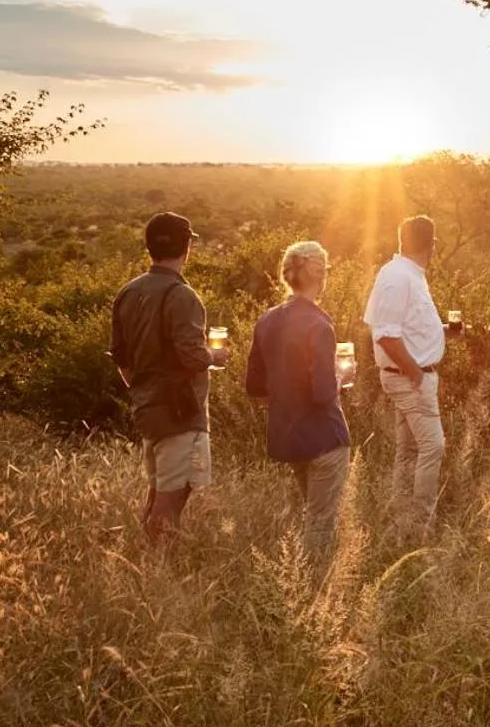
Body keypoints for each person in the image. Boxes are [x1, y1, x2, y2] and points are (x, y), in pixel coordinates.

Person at [110, 211, 229, 542]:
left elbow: (120, 358)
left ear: (149, 247)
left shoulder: (128, 292)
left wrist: (142, 392)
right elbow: (192, 356)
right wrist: (215, 355)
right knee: (171, 501)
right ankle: (159, 575)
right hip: (181, 413)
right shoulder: (183, 296)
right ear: (186, 248)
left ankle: (147, 562)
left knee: (157, 494)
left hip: (147, 411)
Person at [245, 240, 351, 559]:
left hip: (290, 438)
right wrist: (341, 377)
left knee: (312, 514)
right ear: (320, 275)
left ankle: (305, 585)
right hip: (325, 438)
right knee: (320, 523)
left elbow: (254, 386)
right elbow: (322, 392)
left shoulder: (267, 320)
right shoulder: (320, 324)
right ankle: (315, 595)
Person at [362, 215, 448, 538]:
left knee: (410, 449)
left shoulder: (408, 274)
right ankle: (420, 527)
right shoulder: (398, 277)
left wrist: (444, 334)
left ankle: (401, 522)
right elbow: (385, 334)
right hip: (410, 378)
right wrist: (415, 373)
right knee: (433, 446)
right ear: (433, 246)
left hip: (410, 374)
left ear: (401, 241)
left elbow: (405, 327)